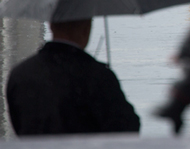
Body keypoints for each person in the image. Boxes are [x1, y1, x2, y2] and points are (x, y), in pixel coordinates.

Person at [6, 19, 140, 136]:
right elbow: (127, 128)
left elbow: (19, 125)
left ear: (51, 25)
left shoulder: (20, 74)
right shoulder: (96, 76)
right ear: (86, 28)